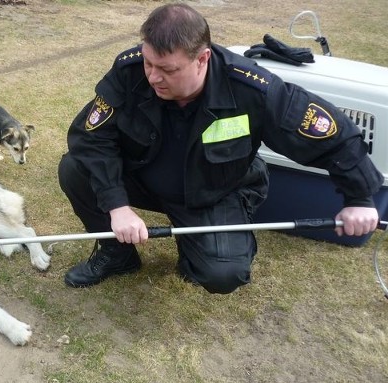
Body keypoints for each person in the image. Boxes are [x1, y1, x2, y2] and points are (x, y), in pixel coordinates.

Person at [57, 3, 383, 294]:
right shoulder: (131, 71)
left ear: (202, 59)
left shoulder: (252, 89)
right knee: (75, 168)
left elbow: (333, 134)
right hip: (144, 177)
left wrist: (359, 198)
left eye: (168, 70)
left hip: (213, 191)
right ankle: (117, 254)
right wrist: (118, 207)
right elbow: (91, 137)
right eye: (149, 64)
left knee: (222, 274)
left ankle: (196, 247)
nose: (154, 77)